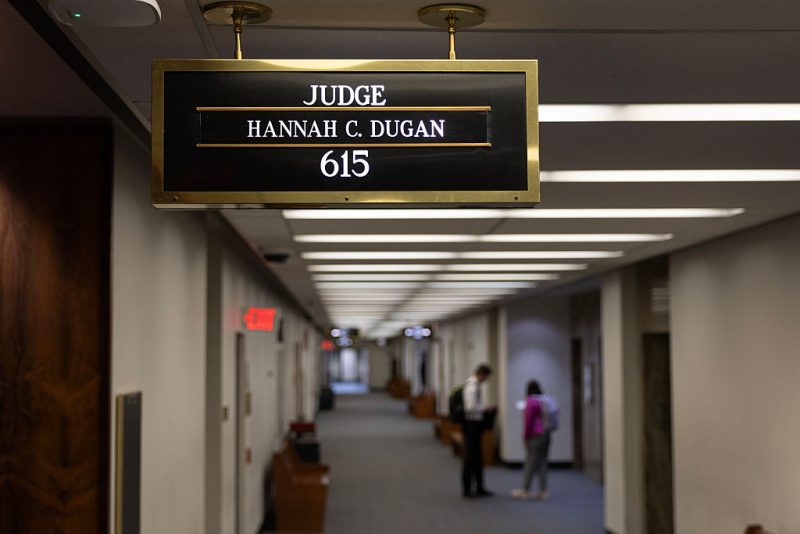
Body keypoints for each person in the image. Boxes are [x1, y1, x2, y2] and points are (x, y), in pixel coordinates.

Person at [511, 380, 552, 500]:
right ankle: (543, 490)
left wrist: (525, 437)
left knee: (530, 462)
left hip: (535, 434)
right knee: (543, 462)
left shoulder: (530, 401)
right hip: (547, 433)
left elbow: (528, 422)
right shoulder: (544, 399)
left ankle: (525, 489)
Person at [461, 364, 494, 498]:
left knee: (477, 456)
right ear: (482, 374)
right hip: (471, 424)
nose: (485, 380)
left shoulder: (475, 385)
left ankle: (479, 486)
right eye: (486, 377)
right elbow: (470, 407)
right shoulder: (471, 386)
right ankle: (467, 488)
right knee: (470, 457)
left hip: (476, 424)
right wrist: (485, 408)